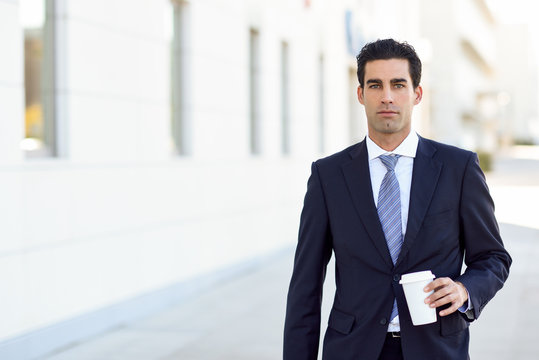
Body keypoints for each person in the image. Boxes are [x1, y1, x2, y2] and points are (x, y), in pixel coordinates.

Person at [283, 39, 511, 360]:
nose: (387, 96)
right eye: (375, 85)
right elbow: (305, 287)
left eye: (398, 84)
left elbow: (493, 258)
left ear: (417, 94)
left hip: (436, 348)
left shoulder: (458, 168)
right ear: (360, 94)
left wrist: (465, 289)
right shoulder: (328, 175)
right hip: (353, 349)